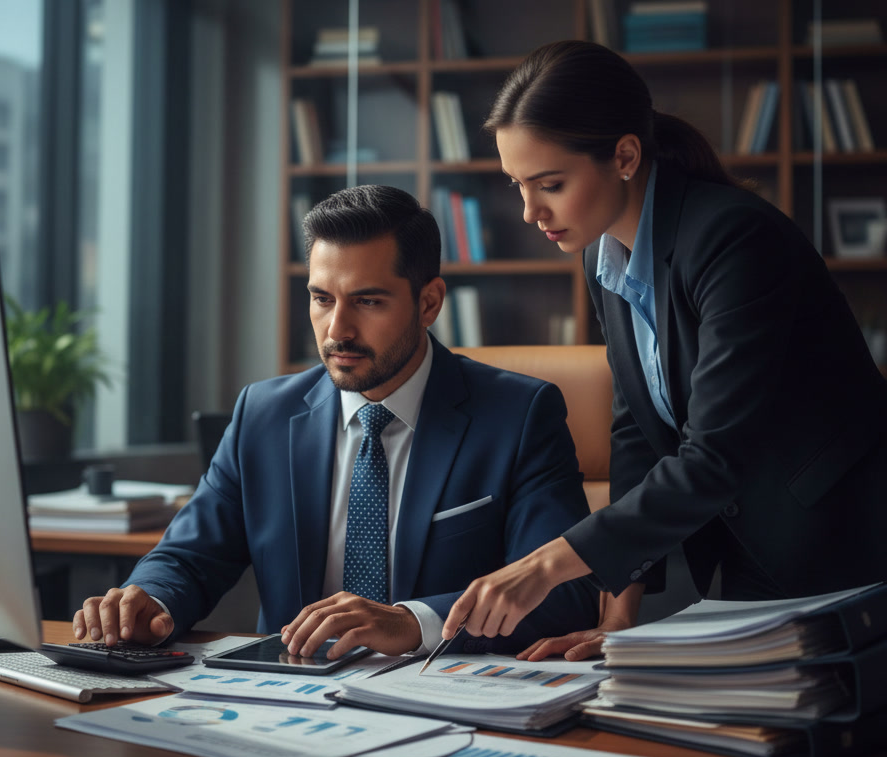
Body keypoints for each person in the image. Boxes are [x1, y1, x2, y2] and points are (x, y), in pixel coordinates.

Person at [442, 39, 887, 660]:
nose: (528, 211)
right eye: (518, 184)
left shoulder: (734, 238)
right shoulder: (603, 250)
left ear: (624, 155)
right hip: (749, 552)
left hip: (844, 548)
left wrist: (544, 567)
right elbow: (635, 431)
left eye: (550, 183)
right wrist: (618, 612)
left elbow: (713, 454)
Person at [74, 184, 608, 660]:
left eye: (368, 301)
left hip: (446, 698)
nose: (338, 330)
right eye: (321, 299)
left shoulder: (518, 415)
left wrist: (411, 622)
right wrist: (149, 599)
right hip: (287, 702)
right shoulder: (263, 414)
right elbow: (190, 556)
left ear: (429, 302)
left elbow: (566, 592)